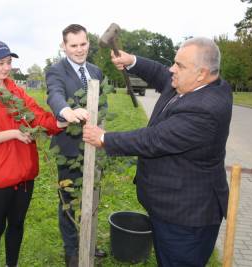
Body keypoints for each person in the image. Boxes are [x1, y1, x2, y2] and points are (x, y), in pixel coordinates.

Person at [83, 37, 232, 266]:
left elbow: (153, 140)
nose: (172, 69)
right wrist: (132, 60)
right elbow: (161, 73)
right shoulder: (190, 83)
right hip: (172, 208)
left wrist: (103, 138)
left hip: (186, 218)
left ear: (201, 73)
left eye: (179, 66)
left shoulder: (207, 109)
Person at [0, 40, 66, 267]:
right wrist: (13, 133)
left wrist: (62, 120)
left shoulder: (16, 91)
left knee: (17, 224)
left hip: (24, 173)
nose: (6, 67)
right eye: (0, 63)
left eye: (8, 62)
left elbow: (37, 115)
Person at [45, 24, 106, 267]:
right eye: (73, 45)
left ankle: (88, 241)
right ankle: (72, 250)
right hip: (68, 150)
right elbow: (54, 94)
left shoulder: (96, 71)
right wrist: (66, 110)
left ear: (88, 42)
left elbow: (102, 104)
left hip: (94, 147)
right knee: (69, 201)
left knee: (91, 196)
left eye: (83, 44)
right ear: (64, 46)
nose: (79, 50)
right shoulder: (55, 70)